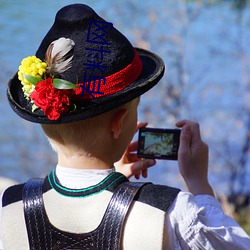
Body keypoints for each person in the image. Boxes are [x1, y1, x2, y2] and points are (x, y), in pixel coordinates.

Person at [1, 3, 249, 249]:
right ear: (119, 123)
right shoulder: (171, 213)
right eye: (136, 106)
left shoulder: (10, 208)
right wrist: (199, 185)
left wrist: (119, 188)